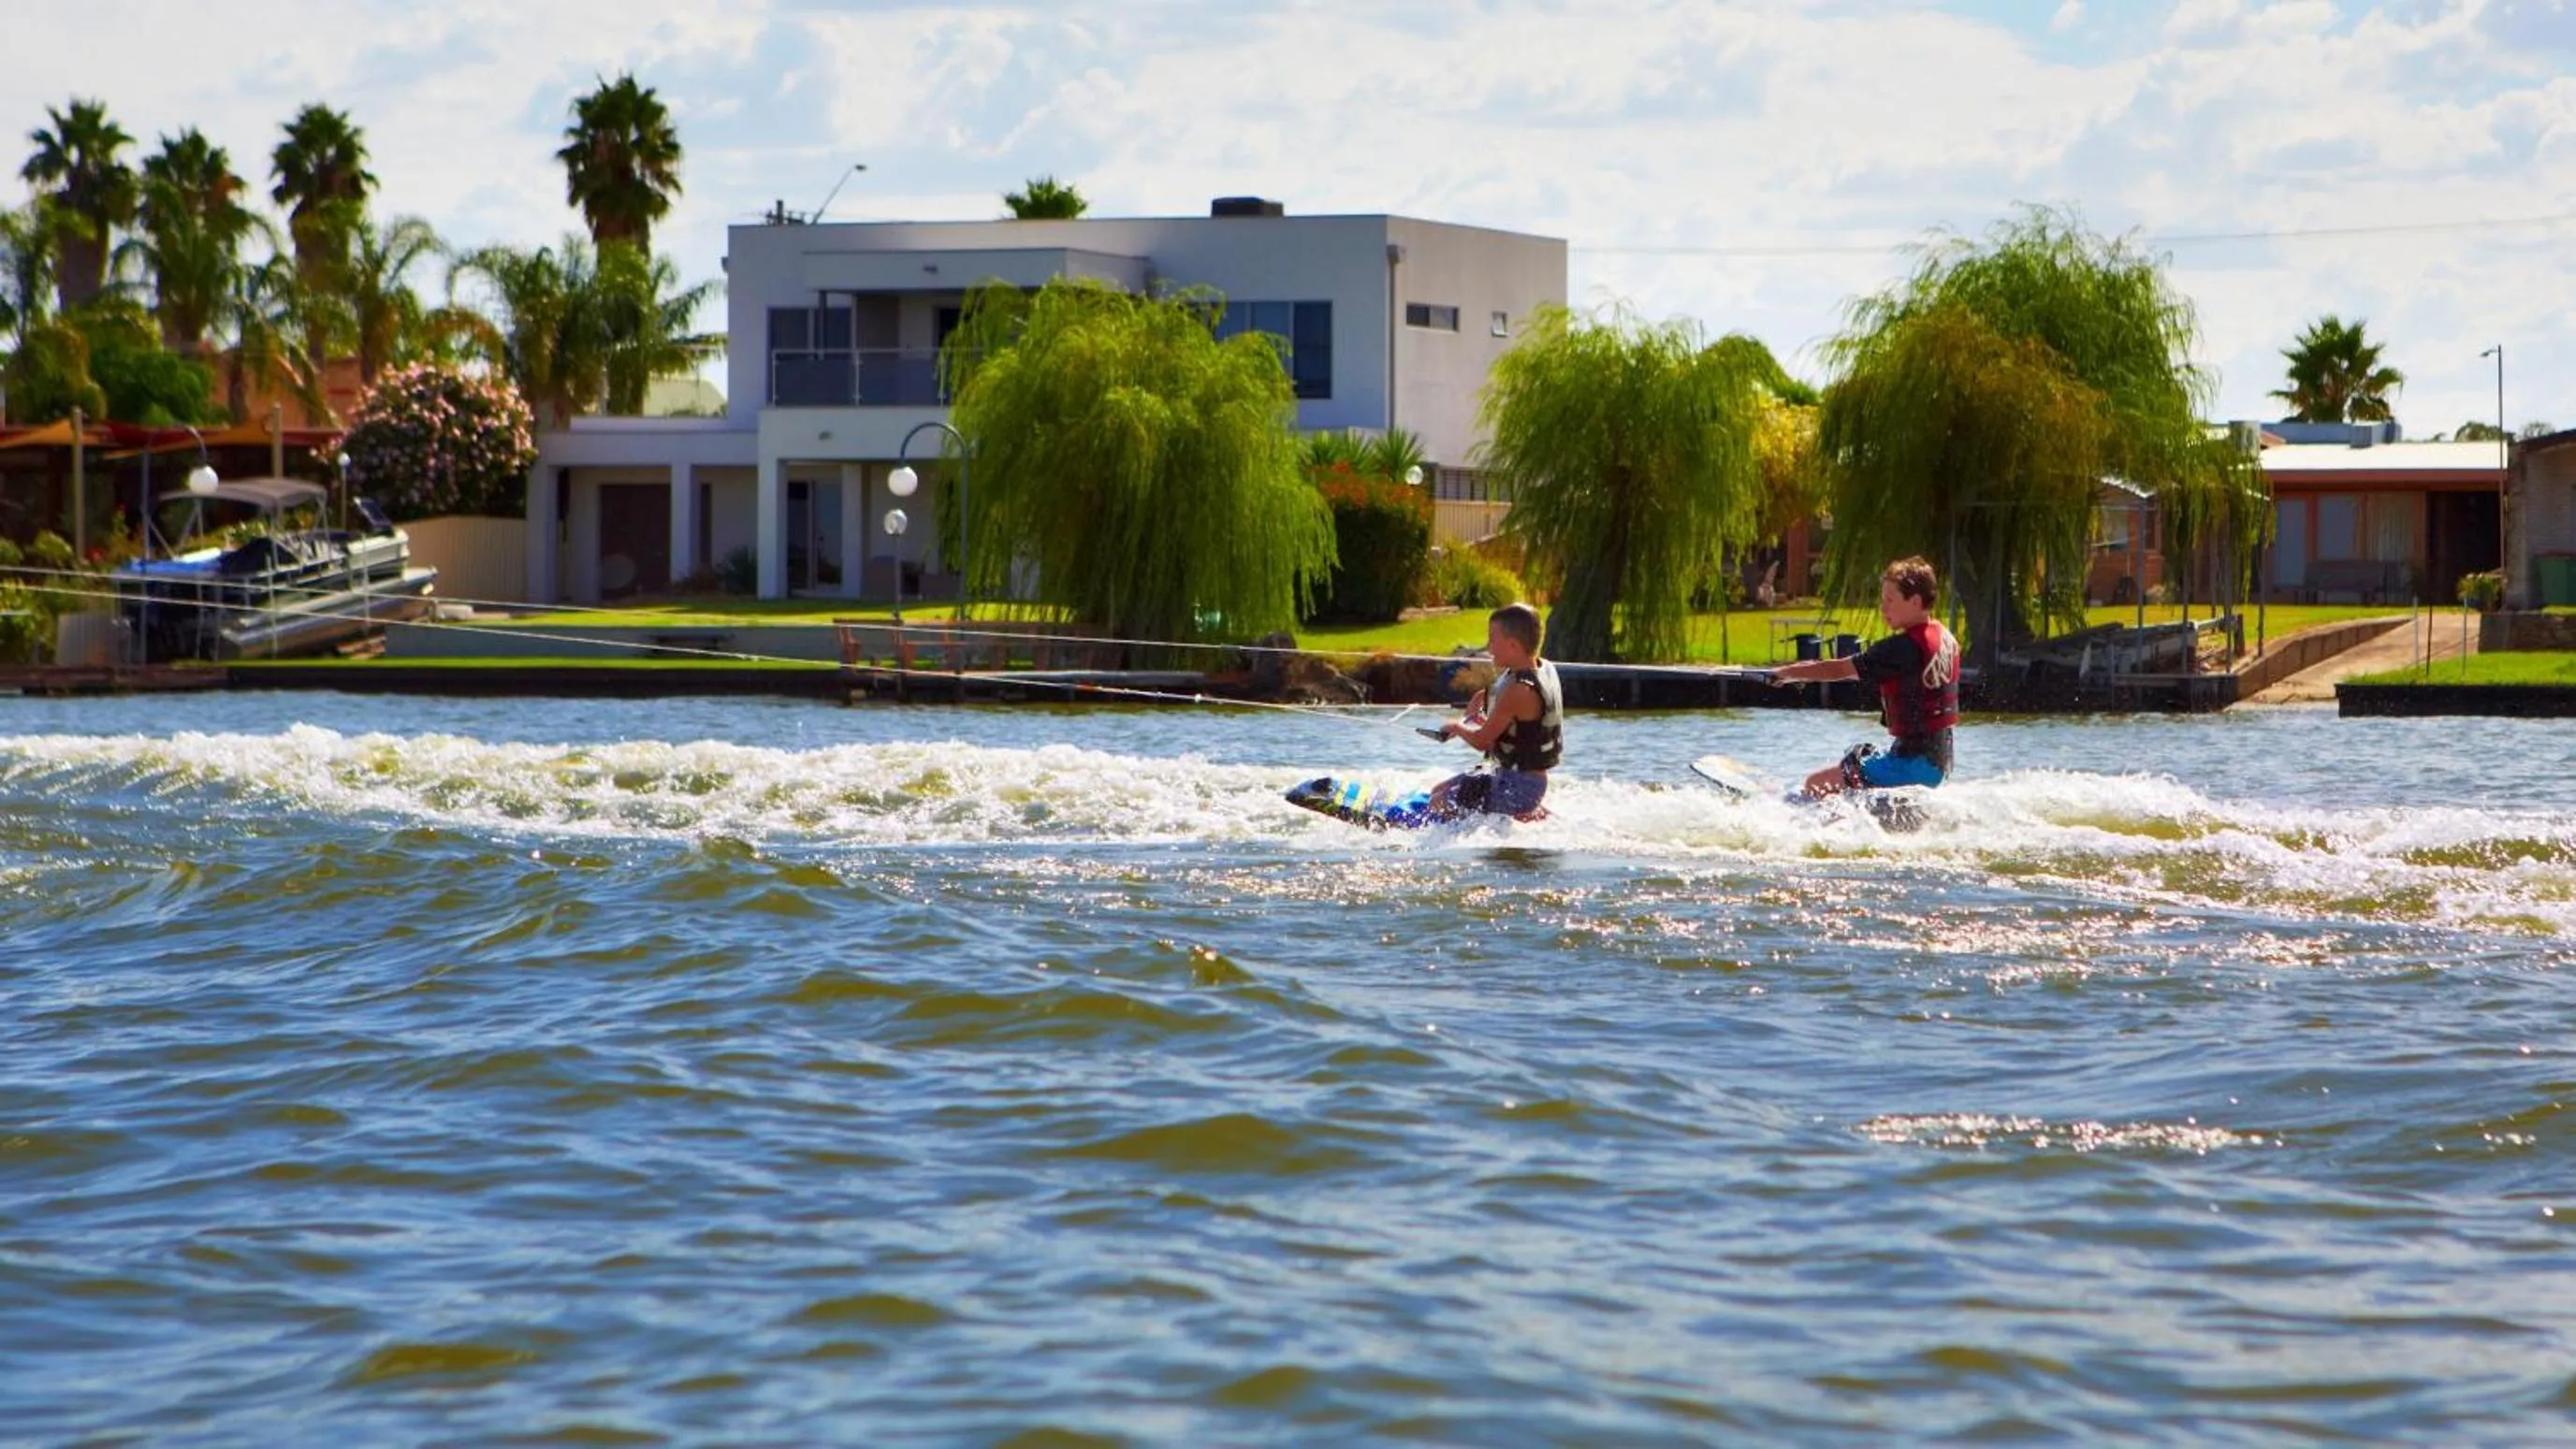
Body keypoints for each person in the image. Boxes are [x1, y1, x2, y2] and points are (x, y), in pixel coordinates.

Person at [1768, 556, 1959, 799]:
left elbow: (1838, 669)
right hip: (1938, 764)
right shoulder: (1945, 638)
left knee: (1815, 783)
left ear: (1915, 601)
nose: (1883, 608)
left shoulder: (1900, 649)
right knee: (1859, 755)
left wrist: (1786, 673)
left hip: (1910, 766)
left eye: (1890, 600)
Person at [1429, 602, 1563, 820]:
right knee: (1438, 789)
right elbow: (1499, 697)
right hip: (1515, 776)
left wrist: (1456, 727)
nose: (1489, 647)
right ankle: (1535, 815)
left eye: (1492, 639)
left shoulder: (1520, 690)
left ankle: (1517, 813)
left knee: (1438, 801)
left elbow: (1482, 741)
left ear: (1512, 646)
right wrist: (1477, 702)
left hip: (1519, 785)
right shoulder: (1541, 667)